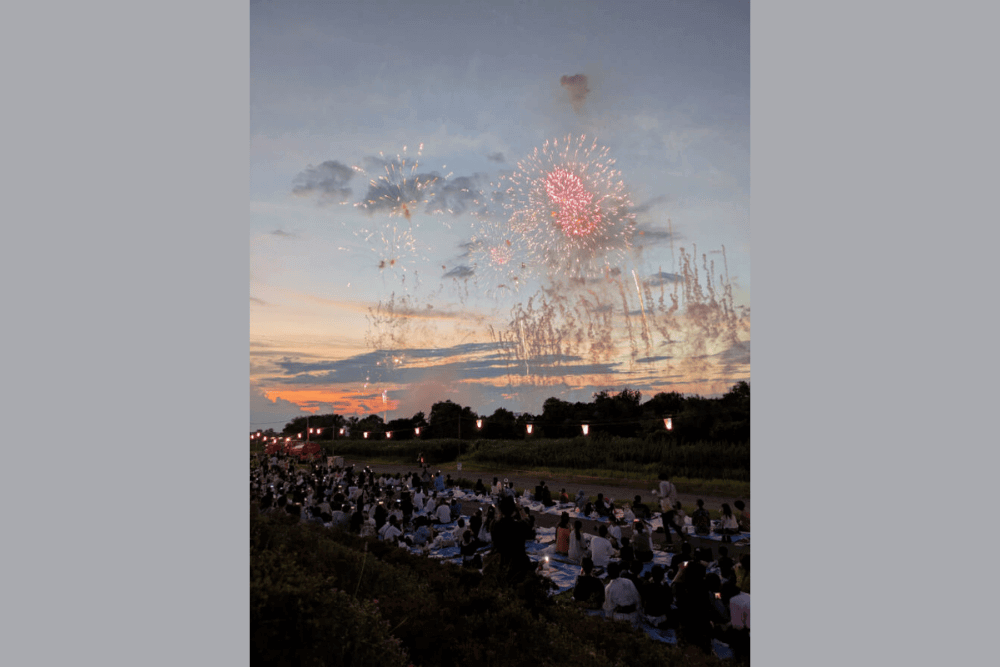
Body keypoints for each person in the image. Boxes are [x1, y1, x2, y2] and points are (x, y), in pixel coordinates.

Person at [489, 495, 534, 583]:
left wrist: (501, 512)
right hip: (519, 564)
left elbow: (497, 521)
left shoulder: (495, 525)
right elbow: (528, 521)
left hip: (502, 563)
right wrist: (521, 509)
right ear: (514, 510)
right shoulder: (520, 526)